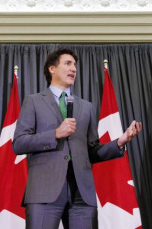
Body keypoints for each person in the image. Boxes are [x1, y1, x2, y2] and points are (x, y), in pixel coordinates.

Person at [13, 48, 142, 229]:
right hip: (44, 192)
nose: (73, 69)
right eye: (68, 63)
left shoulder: (86, 107)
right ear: (52, 69)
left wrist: (120, 142)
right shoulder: (33, 101)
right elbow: (19, 143)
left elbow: (92, 151)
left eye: (75, 65)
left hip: (82, 194)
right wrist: (55, 134)